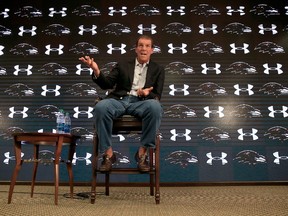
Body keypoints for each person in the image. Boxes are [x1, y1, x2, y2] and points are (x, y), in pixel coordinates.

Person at [79, 35, 165, 172]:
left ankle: (142, 153)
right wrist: (96, 70)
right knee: (101, 107)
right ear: (136, 49)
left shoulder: (158, 69)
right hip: (120, 100)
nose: (144, 48)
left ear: (152, 50)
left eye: (147, 46)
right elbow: (107, 84)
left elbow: (157, 95)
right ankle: (108, 155)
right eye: (141, 45)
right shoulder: (123, 65)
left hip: (141, 103)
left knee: (155, 107)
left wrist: (147, 94)